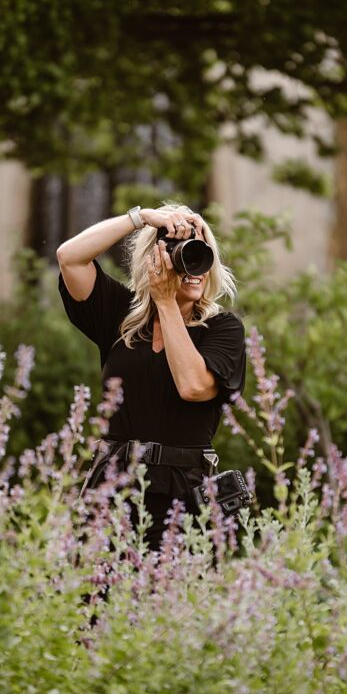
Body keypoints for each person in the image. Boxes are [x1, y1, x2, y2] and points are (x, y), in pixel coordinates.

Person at [56, 202, 246, 551]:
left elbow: (193, 386)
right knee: (95, 601)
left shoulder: (222, 329)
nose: (194, 265)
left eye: (201, 251)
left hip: (181, 497)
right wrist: (140, 218)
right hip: (111, 487)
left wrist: (167, 302)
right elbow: (69, 257)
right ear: (153, 260)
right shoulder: (120, 314)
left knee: (168, 602)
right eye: (182, 252)